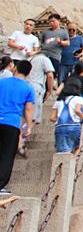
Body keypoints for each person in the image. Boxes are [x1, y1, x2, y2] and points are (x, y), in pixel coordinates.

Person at [0, 61, 34, 195]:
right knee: (7, 155)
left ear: (15, 68)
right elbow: (29, 109)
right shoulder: (28, 88)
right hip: (12, 123)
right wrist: (28, 126)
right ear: (29, 73)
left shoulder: (2, 82)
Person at [49, 81, 83, 154]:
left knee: (62, 152)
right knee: (78, 147)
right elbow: (77, 110)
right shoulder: (78, 98)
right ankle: (73, 161)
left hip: (60, 128)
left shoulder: (59, 101)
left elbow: (52, 118)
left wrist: (60, 120)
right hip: (74, 127)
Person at [27, 51, 55, 125]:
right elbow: (50, 76)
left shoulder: (30, 59)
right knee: (33, 116)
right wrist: (50, 90)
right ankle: (24, 134)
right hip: (36, 87)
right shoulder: (44, 59)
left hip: (26, 85)